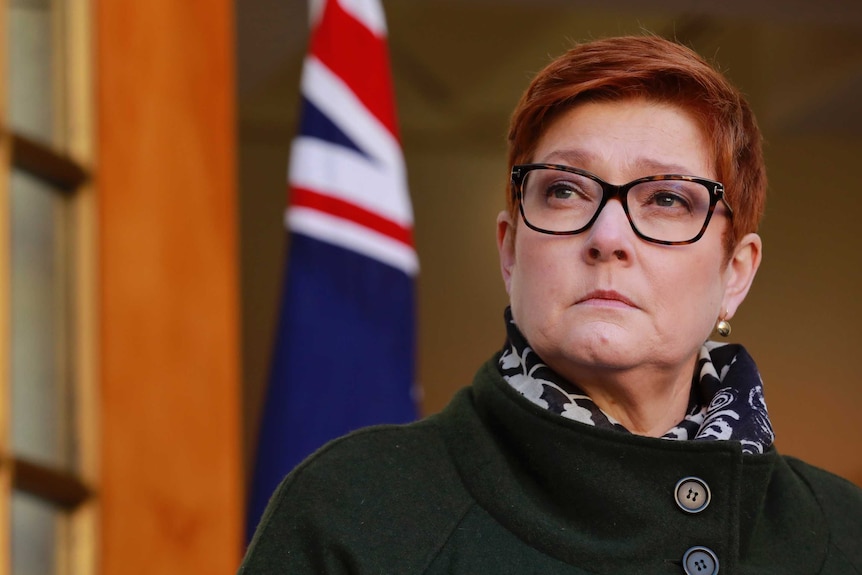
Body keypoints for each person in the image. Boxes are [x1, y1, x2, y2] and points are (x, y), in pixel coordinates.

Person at [239, 35, 862, 574]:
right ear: (510, 251)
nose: (608, 238)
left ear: (735, 272)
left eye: (668, 199)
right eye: (564, 190)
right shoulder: (350, 510)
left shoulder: (847, 533)